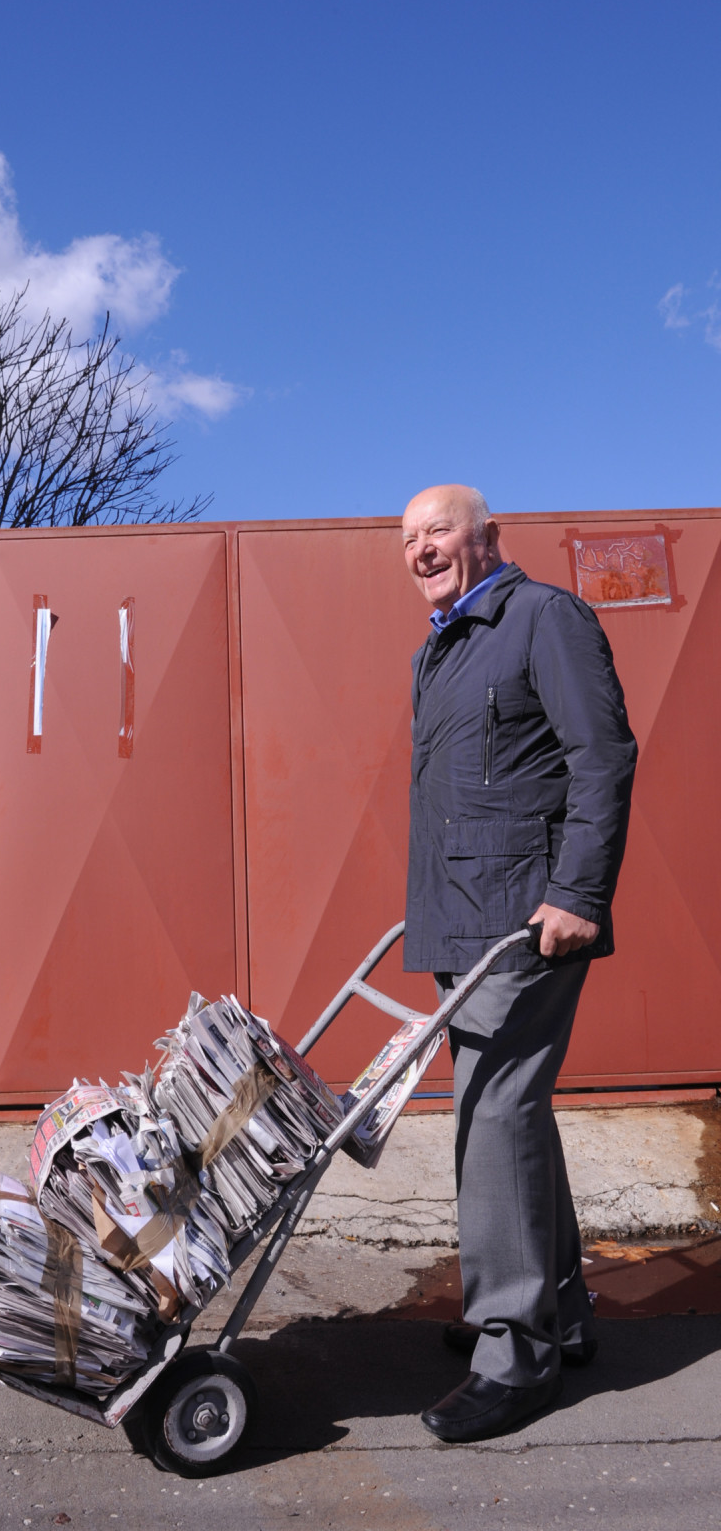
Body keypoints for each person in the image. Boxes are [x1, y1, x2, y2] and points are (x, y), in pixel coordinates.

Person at [400, 483, 637, 1443]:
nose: (421, 548)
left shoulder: (544, 617)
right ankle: (561, 1310)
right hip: (464, 921)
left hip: (530, 920)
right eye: (408, 537)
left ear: (490, 537)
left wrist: (580, 893)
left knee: (492, 1114)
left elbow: (603, 755)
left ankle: (515, 1348)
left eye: (439, 530)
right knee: (510, 1112)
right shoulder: (443, 645)